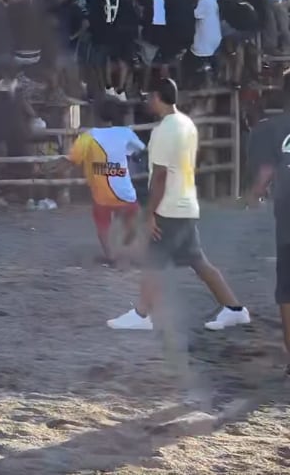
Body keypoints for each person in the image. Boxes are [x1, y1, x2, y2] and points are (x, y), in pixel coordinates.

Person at [107, 78, 250, 332]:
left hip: (170, 207)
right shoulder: (187, 124)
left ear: (156, 97)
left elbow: (160, 176)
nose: (147, 101)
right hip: (186, 204)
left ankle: (141, 316)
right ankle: (234, 308)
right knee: (199, 262)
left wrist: (150, 213)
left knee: (153, 261)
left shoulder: (163, 131)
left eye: (149, 96)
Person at [240, 88, 290, 376]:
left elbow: (265, 173)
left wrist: (254, 195)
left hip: (286, 218)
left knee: (286, 289)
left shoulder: (273, 129)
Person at [64, 99, 145, 263]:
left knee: (103, 225)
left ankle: (111, 255)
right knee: (132, 220)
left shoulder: (87, 137)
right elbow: (141, 150)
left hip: (102, 195)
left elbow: (72, 159)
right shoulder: (125, 132)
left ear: (96, 115)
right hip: (125, 193)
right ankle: (135, 254)